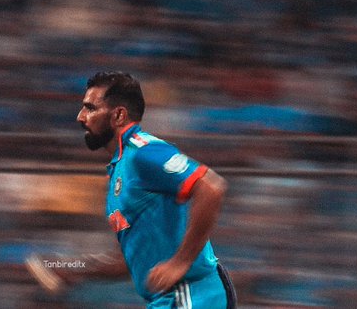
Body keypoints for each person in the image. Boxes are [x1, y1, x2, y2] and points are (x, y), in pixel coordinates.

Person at [27, 71, 236, 308]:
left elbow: (211, 188)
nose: (80, 117)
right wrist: (70, 267)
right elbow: (124, 262)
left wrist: (180, 262)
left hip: (193, 295)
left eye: (90, 108)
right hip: (168, 300)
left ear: (118, 115)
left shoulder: (143, 152)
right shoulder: (120, 170)